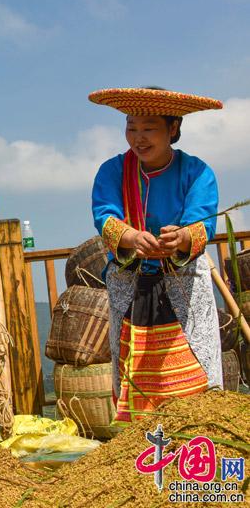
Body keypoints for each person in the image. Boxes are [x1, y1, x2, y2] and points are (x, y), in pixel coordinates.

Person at [89, 87, 223, 423]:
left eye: (149, 128)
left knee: (196, 367)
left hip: (183, 284)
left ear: (173, 128)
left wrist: (181, 238)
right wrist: (132, 237)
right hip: (131, 283)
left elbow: (203, 223)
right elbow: (105, 217)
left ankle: (199, 435)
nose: (139, 137)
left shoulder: (197, 172)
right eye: (131, 127)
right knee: (132, 370)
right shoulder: (113, 171)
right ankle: (140, 440)